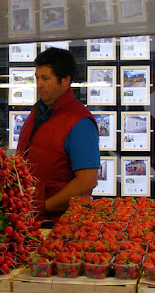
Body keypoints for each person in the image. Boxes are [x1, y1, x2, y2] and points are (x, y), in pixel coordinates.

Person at [16, 47, 100, 225]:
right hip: (30, 219)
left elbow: (87, 182)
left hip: (57, 225)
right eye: (37, 78)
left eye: (46, 78)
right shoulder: (37, 112)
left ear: (65, 80)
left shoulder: (80, 121)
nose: (39, 84)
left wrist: (43, 206)